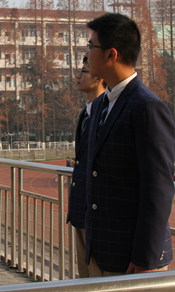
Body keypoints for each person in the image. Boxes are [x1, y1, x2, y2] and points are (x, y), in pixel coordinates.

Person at [84, 13, 175, 275]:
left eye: (91, 47)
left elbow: (158, 189)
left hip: (134, 259)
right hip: (102, 250)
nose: (87, 54)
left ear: (111, 54)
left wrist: (146, 256)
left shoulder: (147, 107)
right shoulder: (101, 104)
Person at [67, 57, 106, 278]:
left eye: (83, 71)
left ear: (99, 77)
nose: (78, 76)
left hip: (95, 211)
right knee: (85, 275)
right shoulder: (86, 112)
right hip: (80, 208)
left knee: (96, 275)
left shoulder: (105, 113)